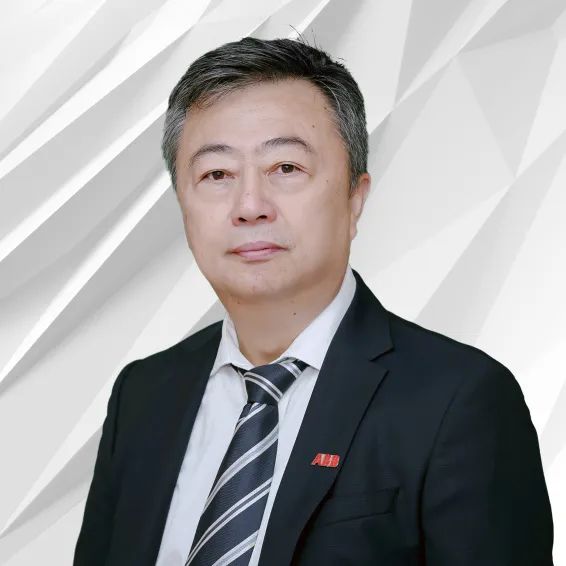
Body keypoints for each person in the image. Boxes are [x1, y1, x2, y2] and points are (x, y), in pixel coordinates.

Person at [73, 37, 554, 566]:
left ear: (355, 199)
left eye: (286, 168)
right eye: (216, 174)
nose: (249, 205)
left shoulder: (459, 400)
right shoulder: (143, 395)